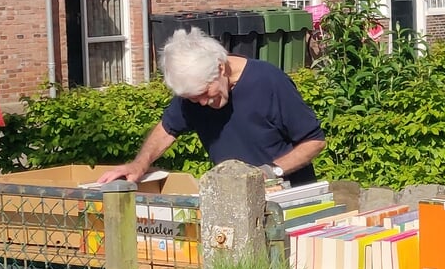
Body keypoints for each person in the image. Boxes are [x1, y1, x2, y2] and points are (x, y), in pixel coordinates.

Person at [96, 28, 325, 186]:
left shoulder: (268, 81)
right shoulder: (194, 93)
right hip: (235, 201)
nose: (202, 103)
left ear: (221, 67)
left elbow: (314, 141)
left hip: (291, 198)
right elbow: (167, 129)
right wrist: (139, 164)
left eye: (206, 93)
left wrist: (269, 172)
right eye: (194, 99)